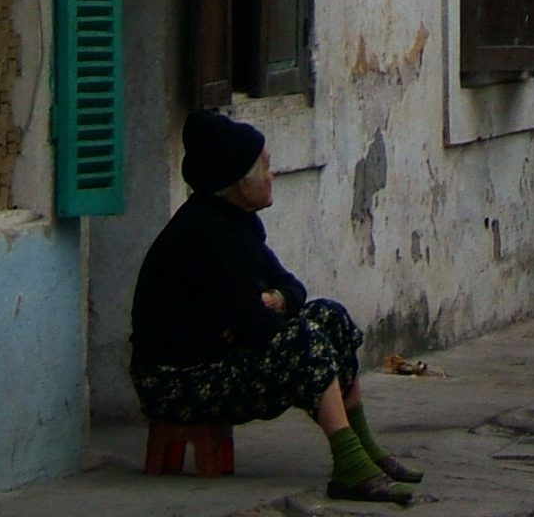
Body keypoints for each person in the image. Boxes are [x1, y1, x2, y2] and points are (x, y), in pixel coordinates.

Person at [131, 111, 420, 505]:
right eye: (264, 168)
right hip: (177, 381)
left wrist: (275, 301)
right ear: (238, 182)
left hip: (218, 354)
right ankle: (349, 464)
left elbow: (290, 288)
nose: (272, 176)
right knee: (302, 339)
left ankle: (364, 446)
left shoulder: (240, 224)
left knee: (329, 316)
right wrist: (256, 315)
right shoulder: (203, 233)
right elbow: (252, 324)